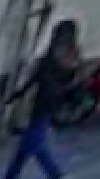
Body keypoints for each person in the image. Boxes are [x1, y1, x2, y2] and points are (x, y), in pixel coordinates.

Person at [5, 20, 79, 179]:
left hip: (47, 105)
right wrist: (18, 93)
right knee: (28, 147)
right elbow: (37, 77)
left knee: (33, 144)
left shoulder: (67, 56)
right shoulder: (54, 56)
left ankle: (56, 175)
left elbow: (68, 82)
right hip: (42, 104)